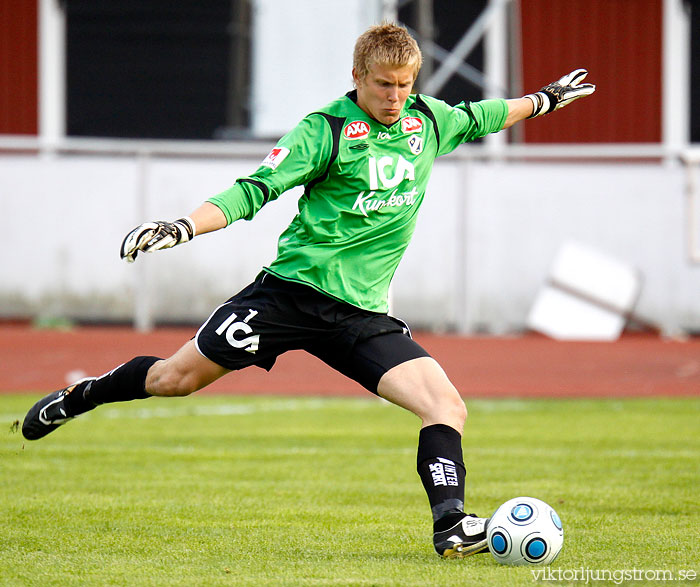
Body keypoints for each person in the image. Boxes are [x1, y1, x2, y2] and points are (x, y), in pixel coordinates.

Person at [22, 23, 594, 558]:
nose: (395, 97)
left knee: (445, 405)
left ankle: (451, 526)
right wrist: (181, 227)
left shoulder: (429, 120)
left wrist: (544, 100)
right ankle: (82, 397)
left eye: (404, 85)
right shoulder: (323, 130)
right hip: (289, 297)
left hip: (360, 315)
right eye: (383, 85)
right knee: (175, 380)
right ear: (356, 78)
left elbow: (486, 114)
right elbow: (254, 190)